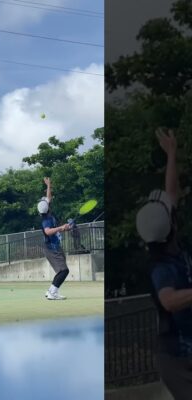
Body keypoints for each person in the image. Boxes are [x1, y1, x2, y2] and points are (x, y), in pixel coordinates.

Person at [136, 128, 192, 400]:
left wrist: (171, 153)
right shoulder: (161, 267)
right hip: (179, 360)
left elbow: (172, 193)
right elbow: (168, 300)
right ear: (171, 225)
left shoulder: (169, 242)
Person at [37, 177, 71, 300]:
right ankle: (52, 293)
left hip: (54, 246)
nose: (48, 200)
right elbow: (48, 231)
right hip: (52, 248)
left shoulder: (47, 213)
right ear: (47, 208)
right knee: (64, 271)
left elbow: (48, 197)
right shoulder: (46, 220)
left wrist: (49, 185)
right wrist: (61, 227)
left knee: (61, 270)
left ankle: (51, 291)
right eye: (47, 202)